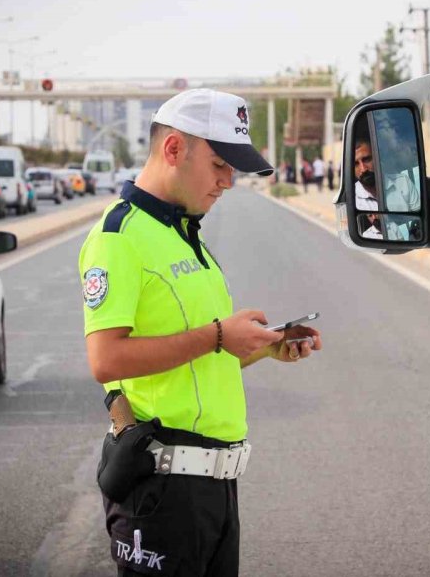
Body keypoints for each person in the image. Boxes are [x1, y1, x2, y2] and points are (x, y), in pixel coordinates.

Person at [79, 88, 324, 576]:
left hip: (214, 489)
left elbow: (196, 357)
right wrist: (217, 336)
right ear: (173, 150)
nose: (228, 181)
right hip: (162, 490)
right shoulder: (118, 238)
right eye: (219, 165)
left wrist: (265, 346)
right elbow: (106, 360)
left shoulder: (183, 233)